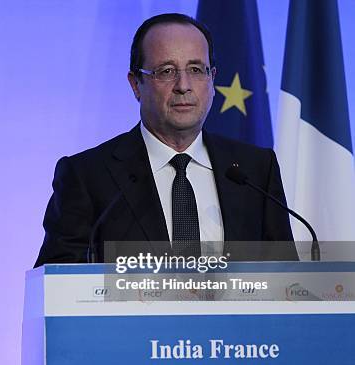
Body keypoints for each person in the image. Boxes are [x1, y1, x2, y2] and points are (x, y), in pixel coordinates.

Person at [35, 13, 294, 267]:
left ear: (212, 79)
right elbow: (56, 284)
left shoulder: (255, 171)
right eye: (166, 71)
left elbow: (288, 280)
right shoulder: (87, 176)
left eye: (195, 69)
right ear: (136, 84)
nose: (184, 85)